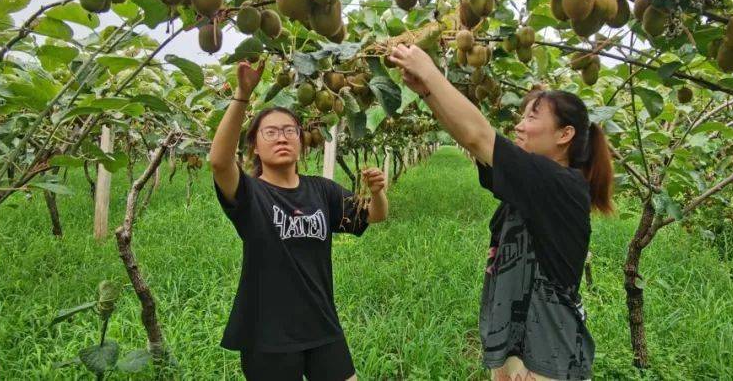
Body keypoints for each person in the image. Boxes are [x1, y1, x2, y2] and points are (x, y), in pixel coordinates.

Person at [388, 44, 614, 381]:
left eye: (532, 117)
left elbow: (479, 135)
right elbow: (470, 141)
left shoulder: (559, 184)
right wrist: (426, 93)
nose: (519, 126)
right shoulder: (533, 181)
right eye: (521, 116)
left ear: (565, 135)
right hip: (517, 343)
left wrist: (430, 70)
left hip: (549, 355)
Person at [208, 60, 389, 381]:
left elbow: (374, 216)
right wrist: (242, 94)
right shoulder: (250, 194)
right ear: (255, 146)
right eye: (271, 132)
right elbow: (220, 162)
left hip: (322, 324)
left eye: (290, 131)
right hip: (268, 334)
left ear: (302, 141)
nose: (282, 137)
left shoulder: (322, 190)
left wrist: (376, 193)